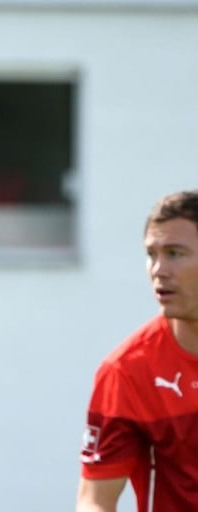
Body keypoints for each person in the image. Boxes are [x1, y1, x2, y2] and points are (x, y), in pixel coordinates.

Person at [76, 190, 198, 512]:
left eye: (175, 253)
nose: (159, 269)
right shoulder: (128, 371)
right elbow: (95, 501)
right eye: (151, 254)